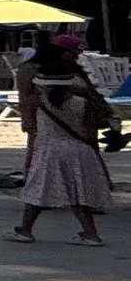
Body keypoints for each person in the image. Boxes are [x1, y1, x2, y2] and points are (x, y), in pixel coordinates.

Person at [9, 35, 117, 246]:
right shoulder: (81, 102)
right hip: (78, 148)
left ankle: (25, 230)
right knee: (78, 193)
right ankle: (90, 233)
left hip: (49, 148)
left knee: (37, 191)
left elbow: (29, 114)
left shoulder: (38, 99)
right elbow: (89, 129)